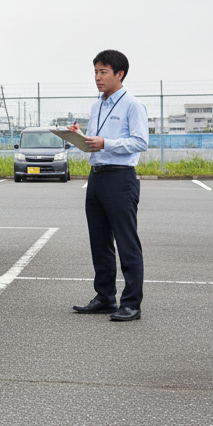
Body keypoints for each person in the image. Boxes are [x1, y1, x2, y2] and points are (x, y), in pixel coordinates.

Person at [69, 49, 149, 321]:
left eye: (103, 72)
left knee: (127, 242)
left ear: (119, 74)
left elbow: (140, 142)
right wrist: (80, 137)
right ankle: (105, 297)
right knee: (99, 240)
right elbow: (94, 142)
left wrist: (106, 143)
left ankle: (132, 304)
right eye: (95, 72)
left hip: (120, 177)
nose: (97, 77)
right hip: (96, 176)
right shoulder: (97, 106)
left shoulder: (133, 105)